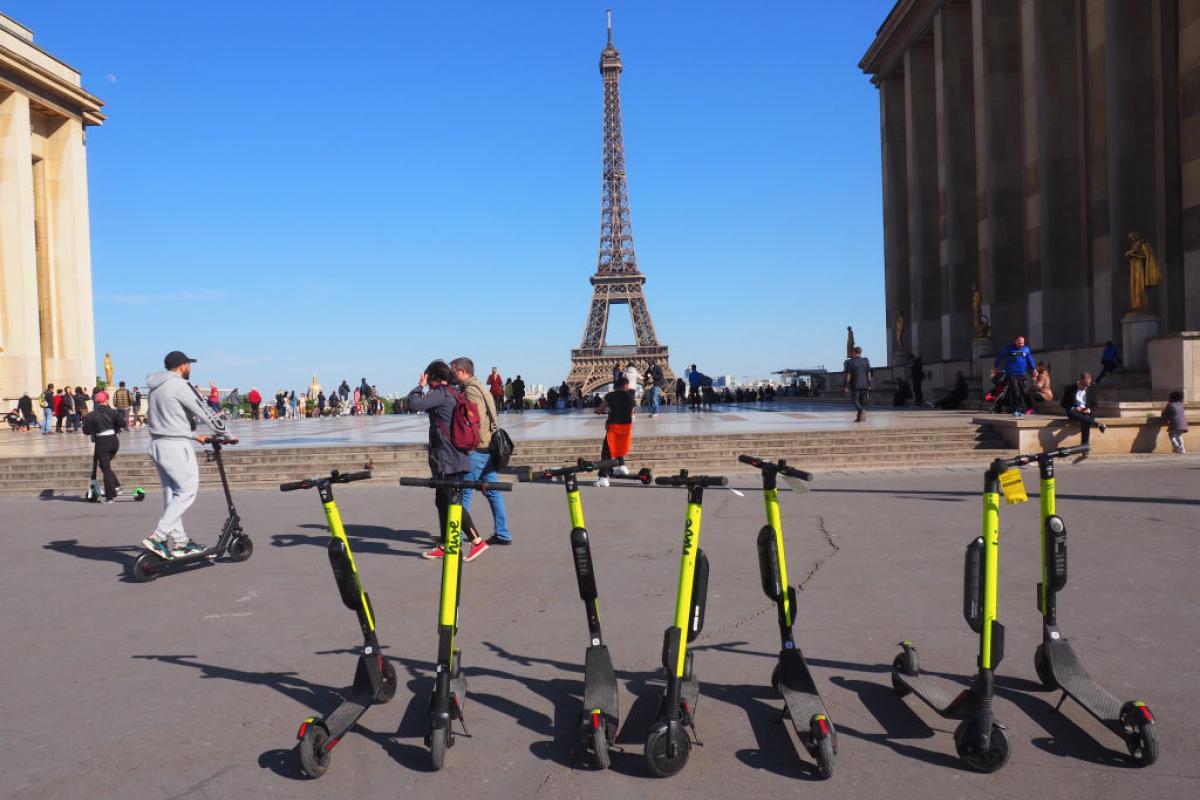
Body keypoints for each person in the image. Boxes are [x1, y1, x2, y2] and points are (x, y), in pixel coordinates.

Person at [141, 350, 236, 559]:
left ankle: (181, 542)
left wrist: (192, 433)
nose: (190, 368)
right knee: (187, 491)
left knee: (171, 494)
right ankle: (158, 536)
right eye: (189, 365)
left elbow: (162, 417)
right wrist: (227, 433)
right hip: (175, 446)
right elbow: (204, 410)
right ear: (182, 366)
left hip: (157, 444)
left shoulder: (155, 388)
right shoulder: (179, 385)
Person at [408, 360, 488, 562]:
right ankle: (445, 544)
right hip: (453, 456)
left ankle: (477, 541)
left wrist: (420, 386)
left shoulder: (441, 393)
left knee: (452, 501)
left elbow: (414, 404)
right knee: (442, 501)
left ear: (433, 377)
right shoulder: (452, 392)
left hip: (447, 458)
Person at [451, 357, 512, 547]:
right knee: (492, 491)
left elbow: (476, 421)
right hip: (489, 447)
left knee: (463, 492)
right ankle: (502, 533)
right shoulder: (481, 386)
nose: (451, 374)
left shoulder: (471, 390)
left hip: (479, 449)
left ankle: (459, 536)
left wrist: (471, 445)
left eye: (453, 371)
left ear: (462, 371)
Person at [82, 390, 127, 503]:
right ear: (106, 400)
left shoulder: (90, 415)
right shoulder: (113, 412)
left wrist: (89, 424)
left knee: (105, 468)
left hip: (102, 442)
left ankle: (110, 496)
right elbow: (123, 424)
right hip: (114, 441)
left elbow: (86, 431)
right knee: (104, 466)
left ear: (96, 401)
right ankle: (117, 487)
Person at [593, 376, 635, 487]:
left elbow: (600, 409)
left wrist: (600, 411)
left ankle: (603, 477)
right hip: (626, 427)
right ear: (626, 385)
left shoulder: (611, 395)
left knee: (606, 452)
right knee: (619, 446)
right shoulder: (631, 398)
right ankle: (622, 466)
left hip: (614, 426)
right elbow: (632, 413)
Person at [1059, 372, 1106, 447]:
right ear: (1080, 380)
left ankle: (1084, 446)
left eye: (1088, 385)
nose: (1086, 387)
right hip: (1074, 412)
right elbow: (1063, 404)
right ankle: (1096, 424)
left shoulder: (1091, 389)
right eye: (1084, 384)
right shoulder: (1070, 389)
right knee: (1071, 412)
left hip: (1085, 412)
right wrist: (1075, 408)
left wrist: (1089, 410)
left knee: (1086, 419)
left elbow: (1095, 405)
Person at [994, 335, 1037, 416]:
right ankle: (1016, 409)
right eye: (1019, 343)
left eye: (1022, 343)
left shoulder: (1026, 349)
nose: (1021, 345)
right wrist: (997, 367)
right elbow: (1000, 357)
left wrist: (1034, 369)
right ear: (1015, 341)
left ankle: (1030, 408)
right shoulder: (1008, 348)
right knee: (1015, 391)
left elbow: (1030, 359)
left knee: (1025, 390)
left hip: (1022, 373)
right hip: (1012, 373)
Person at [843, 346, 873, 422]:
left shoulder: (850, 362)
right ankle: (860, 418)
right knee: (861, 401)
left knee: (855, 401)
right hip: (865, 384)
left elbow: (848, 375)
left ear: (854, 352)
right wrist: (869, 384)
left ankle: (862, 410)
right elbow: (869, 373)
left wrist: (846, 386)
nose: (851, 353)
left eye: (852, 352)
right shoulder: (866, 361)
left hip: (855, 385)